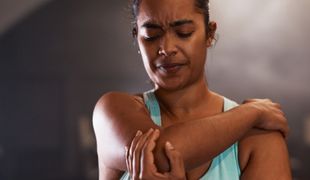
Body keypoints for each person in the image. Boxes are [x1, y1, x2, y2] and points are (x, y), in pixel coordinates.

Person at [92, 0, 292, 179]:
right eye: (151, 35)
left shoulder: (259, 139)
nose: (167, 48)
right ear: (137, 37)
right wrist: (252, 112)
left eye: (184, 32)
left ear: (209, 34)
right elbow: (158, 155)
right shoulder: (113, 110)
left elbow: (162, 156)